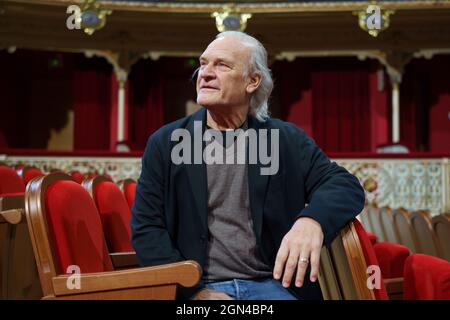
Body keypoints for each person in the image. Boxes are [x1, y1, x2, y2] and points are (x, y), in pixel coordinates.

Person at [131, 31, 365, 300]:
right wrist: (194, 293)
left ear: (253, 81)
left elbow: (345, 185)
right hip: (199, 289)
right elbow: (147, 228)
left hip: (274, 286)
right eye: (203, 63)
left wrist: (312, 221)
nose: (204, 73)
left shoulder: (284, 140)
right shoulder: (167, 143)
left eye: (221, 65)